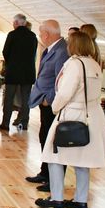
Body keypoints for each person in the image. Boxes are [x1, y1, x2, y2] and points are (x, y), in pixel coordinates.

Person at [35, 32, 105, 208]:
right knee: (82, 160)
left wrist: (54, 107)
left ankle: (57, 198)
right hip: (91, 116)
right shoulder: (94, 64)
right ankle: (81, 200)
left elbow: (65, 93)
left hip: (73, 114)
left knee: (54, 157)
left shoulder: (75, 64)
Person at [25, 20, 69, 192]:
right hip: (44, 103)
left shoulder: (61, 51)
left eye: (40, 33)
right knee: (44, 137)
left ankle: (53, 179)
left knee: (52, 141)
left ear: (47, 34)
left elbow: (60, 81)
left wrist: (48, 99)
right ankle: (45, 172)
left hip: (51, 104)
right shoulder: (51, 49)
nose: (40, 36)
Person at [0, 14, 38, 131]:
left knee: (9, 98)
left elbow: (5, 52)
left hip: (13, 71)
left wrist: (11, 63)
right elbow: (33, 53)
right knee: (26, 99)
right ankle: (24, 123)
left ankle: (5, 123)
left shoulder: (12, 34)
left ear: (16, 23)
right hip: (28, 72)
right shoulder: (33, 36)